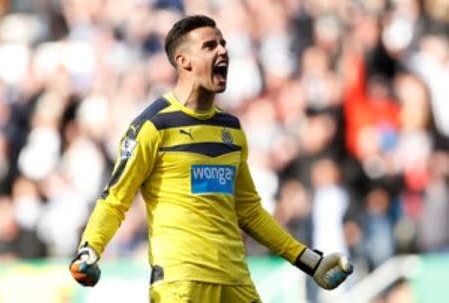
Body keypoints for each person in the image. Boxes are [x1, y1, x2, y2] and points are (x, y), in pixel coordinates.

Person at [69, 15, 353, 302]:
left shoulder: (230, 128)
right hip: (181, 283)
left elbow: (249, 211)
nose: (222, 51)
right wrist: (90, 250)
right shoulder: (153, 126)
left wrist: (309, 261)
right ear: (184, 61)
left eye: (223, 44)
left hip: (235, 279)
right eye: (209, 46)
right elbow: (115, 199)